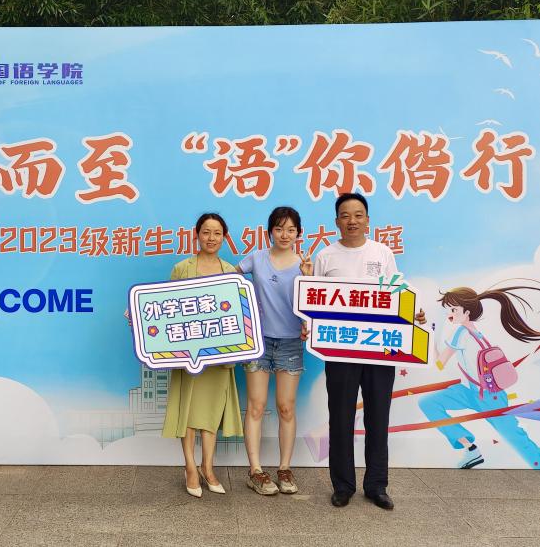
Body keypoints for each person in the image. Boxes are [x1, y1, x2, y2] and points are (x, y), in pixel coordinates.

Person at [314, 193, 424, 510]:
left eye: (358, 214)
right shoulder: (325, 256)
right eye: (345, 215)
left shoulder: (382, 252)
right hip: (340, 350)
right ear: (336, 221)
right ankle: (343, 485)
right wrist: (310, 325)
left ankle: (377, 485)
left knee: (378, 417)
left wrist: (412, 313)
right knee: (341, 417)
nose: (352, 221)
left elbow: (397, 291)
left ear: (367, 220)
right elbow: (314, 301)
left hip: (380, 349)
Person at [162, 212, 243, 497]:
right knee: (188, 411)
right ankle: (190, 467)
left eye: (217, 233)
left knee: (212, 411)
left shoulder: (231, 272)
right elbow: (165, 308)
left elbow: (239, 314)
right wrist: (139, 314)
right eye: (206, 232)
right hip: (188, 357)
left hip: (219, 357)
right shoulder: (182, 268)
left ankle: (208, 468)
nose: (211, 238)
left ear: (224, 237)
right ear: (197, 234)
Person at [419, 285, 540, 469]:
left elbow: (439, 363)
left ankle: (537, 462)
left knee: (514, 436)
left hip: (489, 396)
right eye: (448, 310)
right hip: (471, 392)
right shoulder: (475, 332)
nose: (450, 314)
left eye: (454, 310)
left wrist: (431, 339)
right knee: (429, 402)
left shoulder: (461, 333)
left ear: (467, 312)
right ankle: (471, 449)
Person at [237, 206, 312, 495]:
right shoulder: (256, 258)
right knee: (256, 406)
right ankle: (255, 471)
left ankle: (284, 468)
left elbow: (316, 307)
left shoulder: (305, 264)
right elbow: (224, 282)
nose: (284, 235)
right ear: (269, 232)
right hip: (258, 343)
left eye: (291, 230)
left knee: (286, 407)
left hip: (291, 343)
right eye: (279, 229)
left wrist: (308, 279)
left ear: (298, 233)